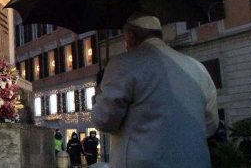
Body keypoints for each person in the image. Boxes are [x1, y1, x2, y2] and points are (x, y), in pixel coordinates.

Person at [92, 12, 218, 168]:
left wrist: (99, 96)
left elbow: (104, 121)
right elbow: (211, 123)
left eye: (125, 40)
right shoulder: (199, 69)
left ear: (131, 37)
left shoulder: (123, 64)